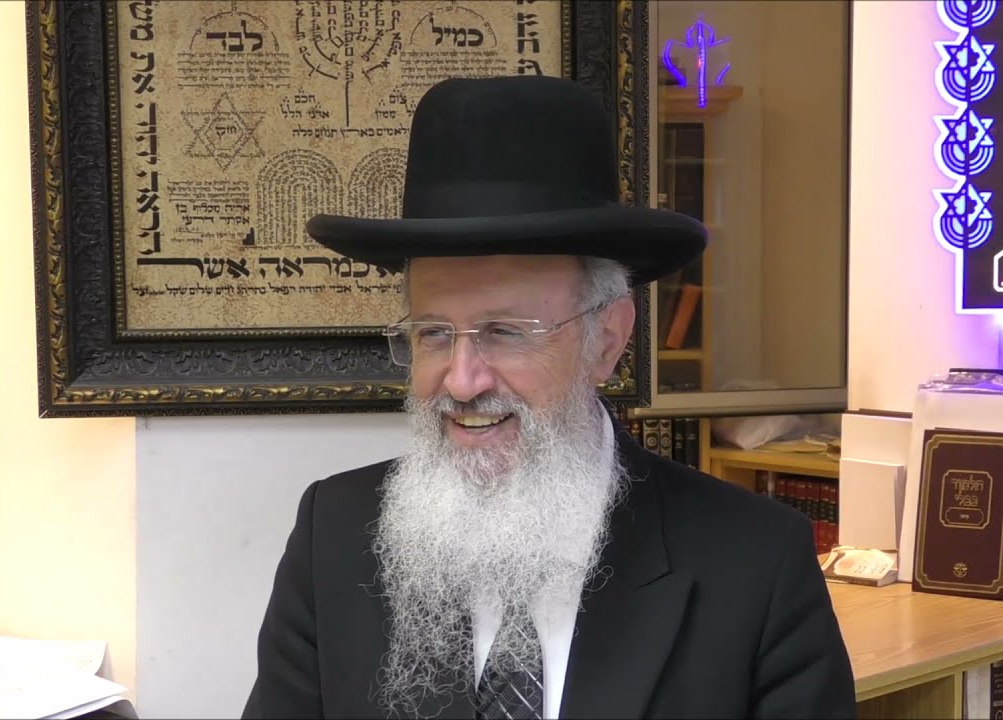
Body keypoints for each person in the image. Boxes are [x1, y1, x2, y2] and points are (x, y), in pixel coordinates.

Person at [242, 75, 857, 719]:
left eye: (506, 333)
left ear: (607, 339)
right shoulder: (335, 535)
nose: (462, 382)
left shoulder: (755, 564)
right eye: (433, 333)